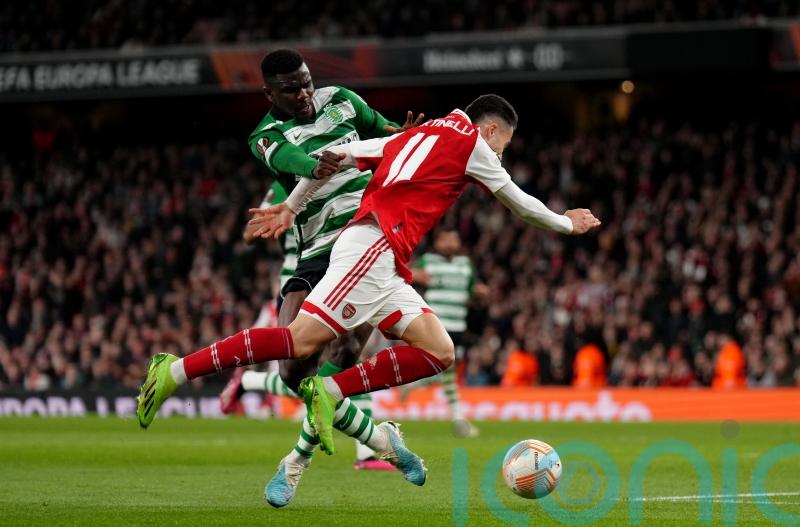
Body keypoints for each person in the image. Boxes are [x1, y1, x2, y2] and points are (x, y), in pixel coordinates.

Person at [137, 94, 600, 479]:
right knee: (299, 342)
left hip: (385, 259)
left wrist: (292, 206)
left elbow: (340, 157)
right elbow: (519, 203)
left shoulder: (421, 132)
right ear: (491, 129)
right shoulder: (473, 144)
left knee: (438, 351)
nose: (500, 155)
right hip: (372, 248)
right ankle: (176, 371)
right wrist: (566, 223)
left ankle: (332, 392)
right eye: (504, 145)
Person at [210, 47, 423, 507]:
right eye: (291, 89)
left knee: (342, 359)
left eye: (306, 82)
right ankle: (379, 439)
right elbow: (292, 159)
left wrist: (402, 135)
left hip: (367, 242)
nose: (304, 93)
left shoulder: (341, 99)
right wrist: (316, 166)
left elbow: (383, 131)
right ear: (269, 94)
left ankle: (295, 463)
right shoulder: (265, 135)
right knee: (293, 370)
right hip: (314, 255)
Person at [403, 229, 487, 437]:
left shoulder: (465, 265)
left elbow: (473, 290)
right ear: (438, 242)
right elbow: (405, 277)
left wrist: (480, 293)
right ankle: (458, 418)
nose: (450, 243)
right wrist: (414, 275)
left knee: (448, 370)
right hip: (436, 323)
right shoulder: (428, 261)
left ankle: (417, 384)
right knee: (448, 369)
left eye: (454, 239)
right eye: (446, 239)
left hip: (458, 324)